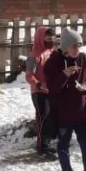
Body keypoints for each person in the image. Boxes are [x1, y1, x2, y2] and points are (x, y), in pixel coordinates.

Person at [44, 28, 86, 171]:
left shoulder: (84, 58)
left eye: (79, 46)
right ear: (65, 46)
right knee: (63, 146)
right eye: (74, 46)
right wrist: (64, 75)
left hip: (84, 110)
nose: (77, 49)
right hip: (63, 112)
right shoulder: (53, 61)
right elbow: (51, 88)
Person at [26, 27, 57, 158]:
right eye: (48, 38)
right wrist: (38, 85)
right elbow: (29, 75)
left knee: (51, 116)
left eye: (52, 38)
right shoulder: (34, 56)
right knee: (43, 116)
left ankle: (48, 142)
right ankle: (41, 146)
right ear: (40, 38)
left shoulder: (52, 52)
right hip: (38, 92)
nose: (51, 41)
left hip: (51, 90)